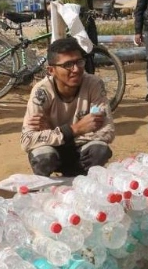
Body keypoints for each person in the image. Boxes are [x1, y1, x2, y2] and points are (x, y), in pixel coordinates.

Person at [21, 37, 114, 177]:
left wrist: (53, 133)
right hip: (53, 152)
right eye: (68, 65)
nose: (76, 69)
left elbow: (107, 131)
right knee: (43, 158)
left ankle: (79, 178)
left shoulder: (94, 84)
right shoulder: (41, 91)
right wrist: (76, 128)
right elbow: (27, 140)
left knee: (100, 150)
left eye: (79, 62)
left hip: (78, 152)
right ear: (51, 70)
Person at [57, 0, 95, 73]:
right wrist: (58, 5)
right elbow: (51, 7)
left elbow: (87, 12)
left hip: (82, 34)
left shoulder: (84, 0)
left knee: (87, 61)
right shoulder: (66, 0)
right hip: (69, 37)